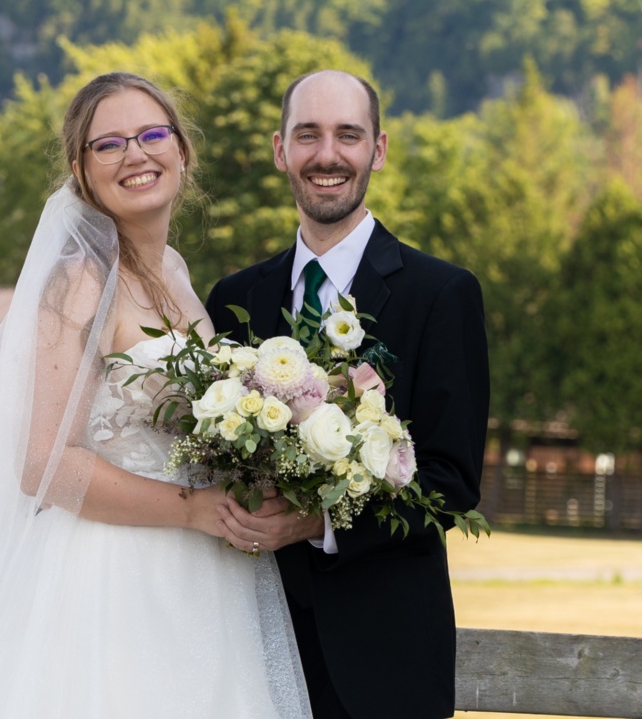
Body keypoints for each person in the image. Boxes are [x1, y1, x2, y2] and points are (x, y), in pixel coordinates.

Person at [0, 72, 311, 718]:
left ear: (182, 150)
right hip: (107, 577)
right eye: (108, 144)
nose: (135, 154)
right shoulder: (78, 282)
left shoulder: (176, 272)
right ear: (81, 172)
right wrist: (192, 509)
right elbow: (44, 463)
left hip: (204, 580)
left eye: (151, 134)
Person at [206, 70, 490, 719]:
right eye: (308, 135)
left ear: (378, 150)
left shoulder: (441, 295)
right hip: (249, 648)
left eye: (348, 135)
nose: (327, 155)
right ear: (281, 150)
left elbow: (452, 481)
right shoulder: (234, 299)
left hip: (385, 662)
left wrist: (319, 522)